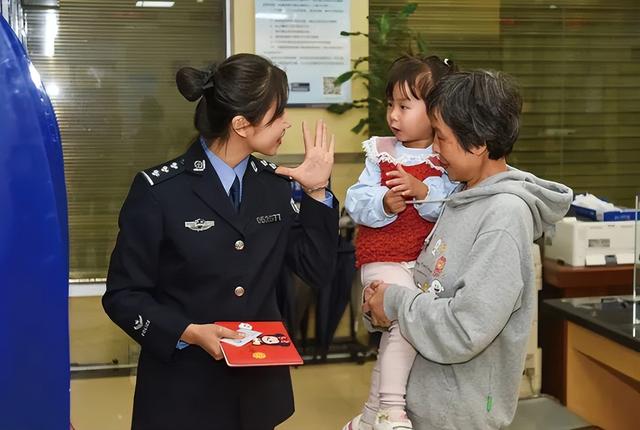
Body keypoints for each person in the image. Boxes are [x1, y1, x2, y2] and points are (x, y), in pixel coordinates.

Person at [102, 53, 339, 430]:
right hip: (181, 392)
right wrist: (188, 332)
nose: (286, 123)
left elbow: (317, 269)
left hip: (256, 394)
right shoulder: (160, 191)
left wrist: (317, 192)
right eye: (278, 115)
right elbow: (123, 296)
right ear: (242, 124)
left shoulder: (276, 185)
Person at [365, 70, 573, 430]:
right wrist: (382, 302)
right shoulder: (462, 194)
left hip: (455, 417)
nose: (434, 149)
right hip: (424, 407)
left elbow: (464, 330)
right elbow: (432, 286)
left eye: (441, 139)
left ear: (476, 143)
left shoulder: (504, 216)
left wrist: (396, 302)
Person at [343, 55, 458, 430]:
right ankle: (391, 408)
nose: (394, 115)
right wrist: (384, 203)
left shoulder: (447, 156)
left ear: (436, 110)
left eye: (405, 106)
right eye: (390, 105)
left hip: (422, 264)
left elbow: (449, 208)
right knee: (408, 321)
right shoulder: (382, 152)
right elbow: (356, 201)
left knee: (401, 331)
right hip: (383, 257)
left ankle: (368, 417)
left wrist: (423, 190)